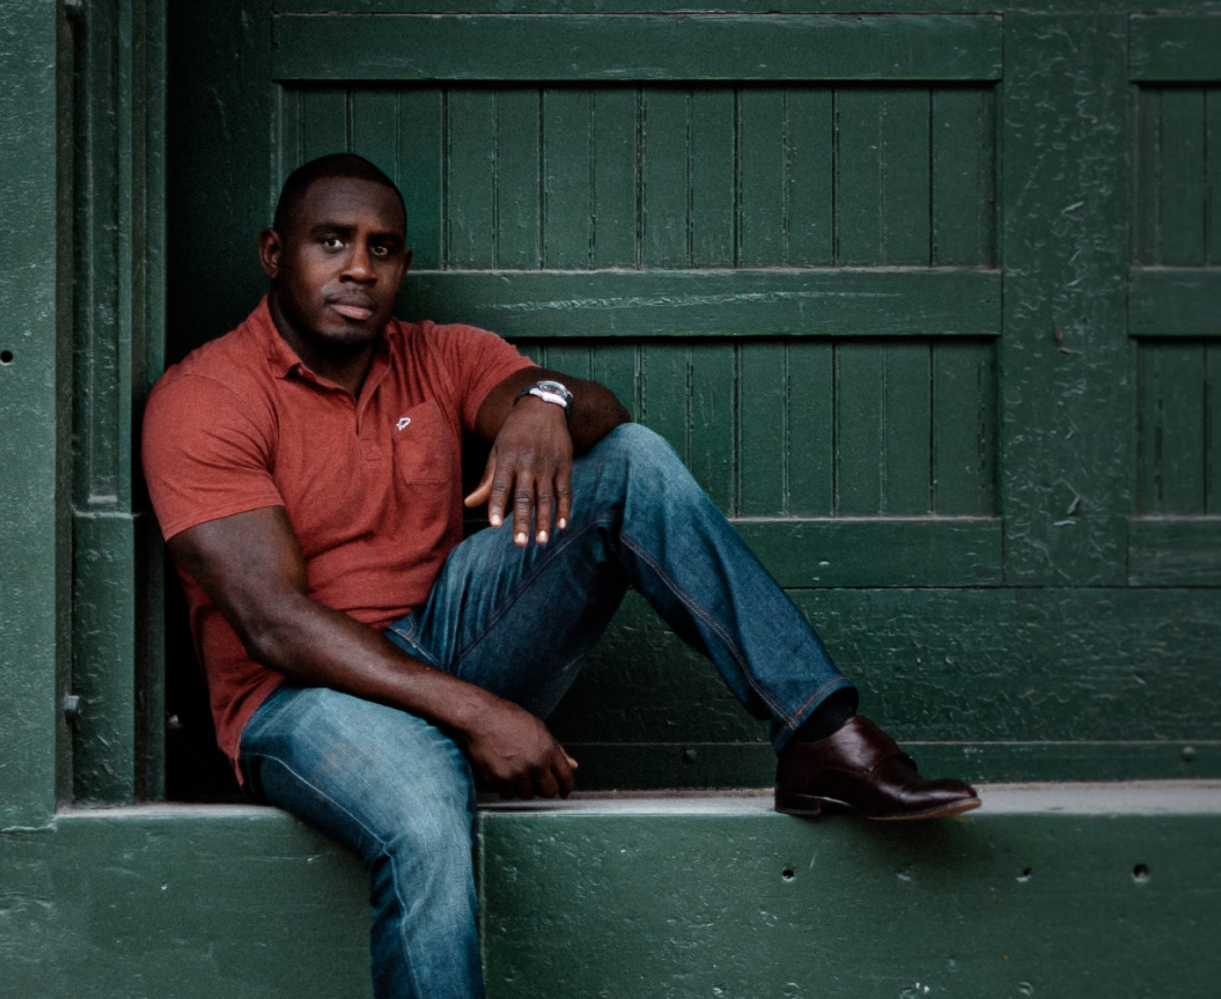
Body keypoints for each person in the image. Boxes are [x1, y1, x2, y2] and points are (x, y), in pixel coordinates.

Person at [141, 152, 978, 999]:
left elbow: (595, 409)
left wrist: (544, 406)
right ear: (273, 253)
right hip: (298, 699)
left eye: (383, 249)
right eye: (332, 242)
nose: (360, 267)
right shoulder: (207, 395)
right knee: (425, 812)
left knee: (629, 462)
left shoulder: (436, 354)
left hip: (440, 639)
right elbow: (272, 621)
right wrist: (479, 712)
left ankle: (819, 735)